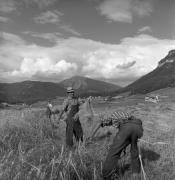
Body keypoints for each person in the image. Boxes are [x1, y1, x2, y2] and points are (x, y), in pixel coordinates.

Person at [91, 111, 143, 179]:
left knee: (113, 152)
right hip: (138, 127)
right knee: (134, 149)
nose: (105, 125)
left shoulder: (111, 116)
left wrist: (91, 135)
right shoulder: (122, 114)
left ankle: (106, 175)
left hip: (127, 127)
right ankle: (135, 173)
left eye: (105, 124)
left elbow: (100, 123)